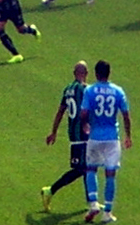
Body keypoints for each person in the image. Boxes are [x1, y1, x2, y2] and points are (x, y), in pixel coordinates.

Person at [77, 58, 131, 223]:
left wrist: (85, 125)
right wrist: (128, 135)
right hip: (112, 138)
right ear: (109, 73)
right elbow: (126, 115)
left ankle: (93, 202)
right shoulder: (118, 91)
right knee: (110, 174)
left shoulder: (90, 91)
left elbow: (84, 113)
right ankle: (107, 212)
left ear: (95, 73)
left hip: (95, 136)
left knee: (91, 169)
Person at [41, 60, 91, 209]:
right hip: (82, 134)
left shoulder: (68, 89)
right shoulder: (85, 89)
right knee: (81, 169)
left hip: (73, 134)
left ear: (74, 73)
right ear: (86, 74)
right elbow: (86, 112)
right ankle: (50, 190)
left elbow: (60, 111)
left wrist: (53, 132)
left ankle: (91, 202)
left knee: (87, 167)